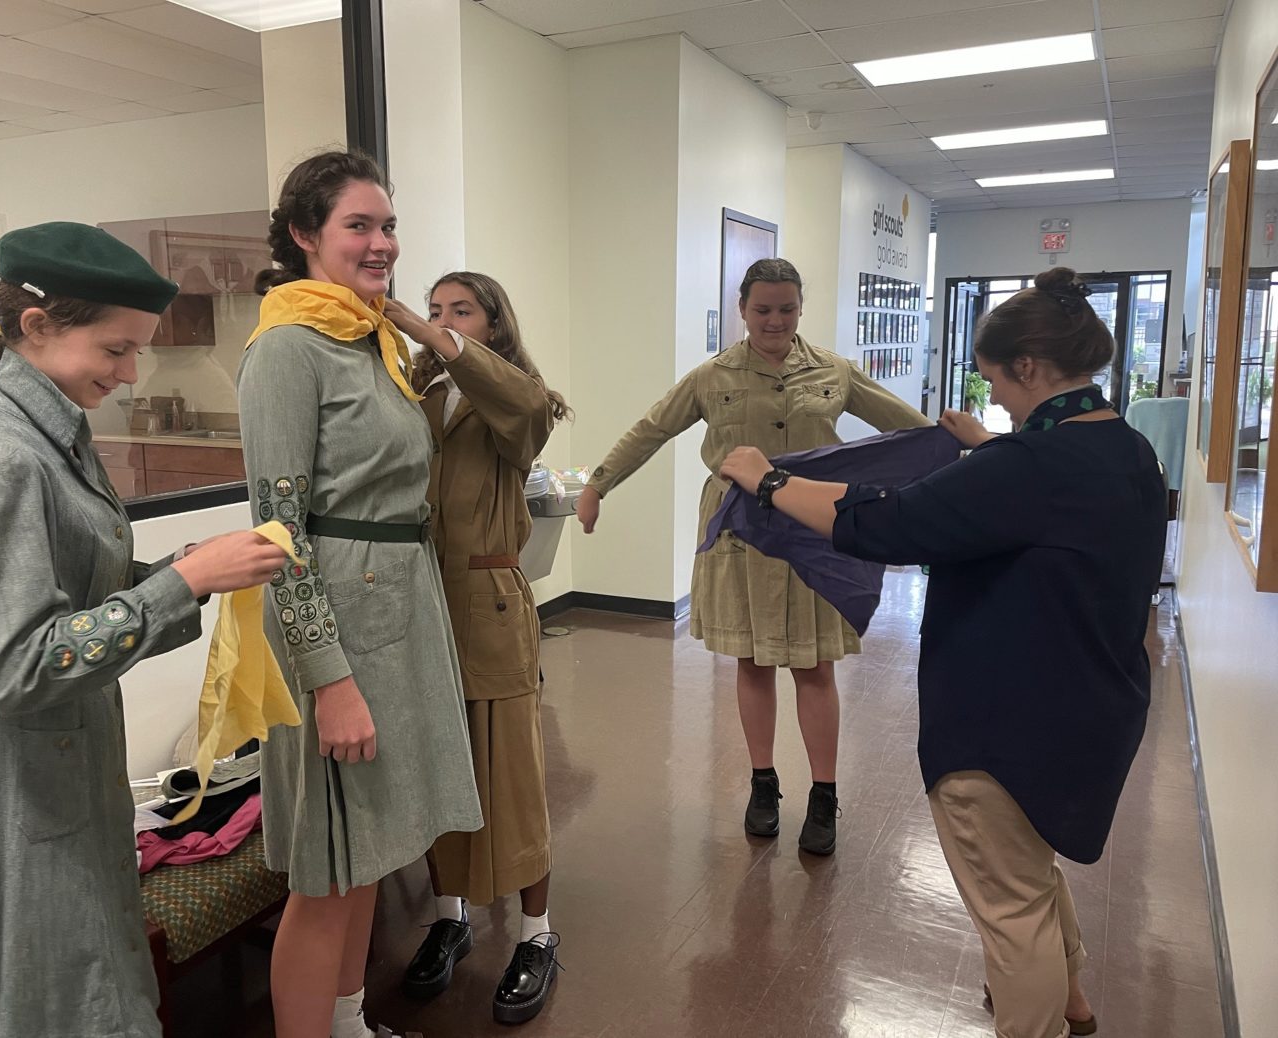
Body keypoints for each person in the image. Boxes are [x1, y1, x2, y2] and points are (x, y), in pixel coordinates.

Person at [719, 266, 1166, 1038]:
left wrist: (766, 483)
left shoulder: (1024, 467)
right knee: (1027, 865)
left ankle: (1041, 1017)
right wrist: (988, 444)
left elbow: (888, 524)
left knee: (1009, 902)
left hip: (1005, 726)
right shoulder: (1126, 451)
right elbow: (1050, 493)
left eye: (996, 381)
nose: (994, 398)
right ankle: (1072, 998)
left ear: (1029, 367)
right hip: (1093, 708)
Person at [0, 221, 291, 1038]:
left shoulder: (57, 439)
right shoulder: (2, 456)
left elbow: (72, 594)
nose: (127, 375)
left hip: (69, 771)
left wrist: (185, 566)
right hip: (14, 789)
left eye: (136, 354)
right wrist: (184, 584)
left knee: (104, 997)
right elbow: (19, 666)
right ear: (38, 328)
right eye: (115, 351)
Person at [237, 150, 483, 1038]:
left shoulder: (369, 337)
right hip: (338, 625)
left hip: (398, 611)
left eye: (387, 227)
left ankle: (347, 1023)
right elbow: (279, 532)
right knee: (328, 872)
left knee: (367, 852)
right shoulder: (287, 350)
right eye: (358, 226)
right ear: (305, 234)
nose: (382, 244)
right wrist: (326, 677)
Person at [575, 257, 927, 854]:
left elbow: (908, 428)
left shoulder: (833, 371)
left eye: (786, 309)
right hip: (741, 531)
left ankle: (823, 795)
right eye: (762, 309)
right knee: (753, 661)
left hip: (814, 530)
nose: (775, 320)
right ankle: (763, 785)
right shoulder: (712, 376)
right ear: (742, 309)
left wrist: (969, 456)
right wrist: (596, 484)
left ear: (799, 309)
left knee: (815, 665)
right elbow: (652, 428)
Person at [387, 272, 567, 1023]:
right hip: (423, 608)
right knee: (439, 772)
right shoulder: (421, 397)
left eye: (460, 310)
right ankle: (452, 919)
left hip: (490, 607)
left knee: (512, 779)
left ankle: (537, 934)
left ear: (493, 324)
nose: (440, 320)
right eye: (432, 310)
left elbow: (527, 409)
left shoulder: (518, 398)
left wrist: (438, 342)